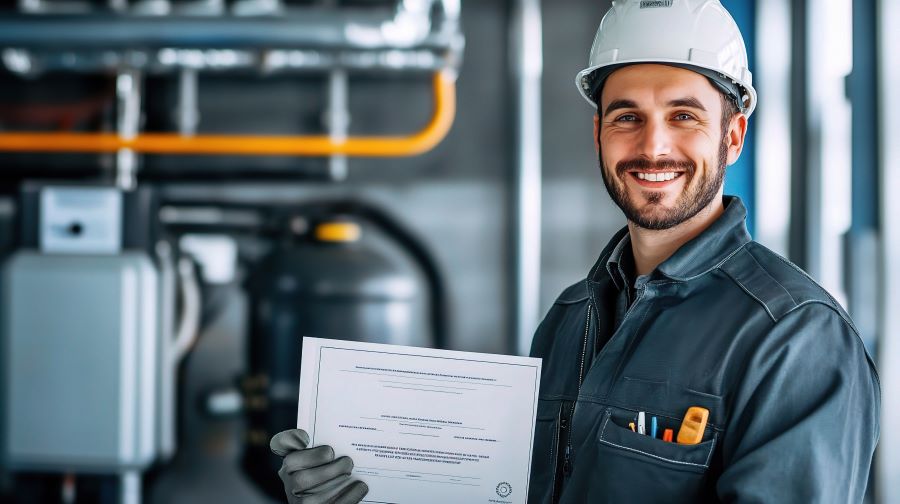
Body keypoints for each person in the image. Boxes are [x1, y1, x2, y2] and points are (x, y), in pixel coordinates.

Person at [269, 1, 881, 502]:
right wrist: (359, 491)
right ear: (598, 134)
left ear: (733, 135)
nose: (653, 146)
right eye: (626, 117)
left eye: (684, 115)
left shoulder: (797, 337)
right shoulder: (570, 318)